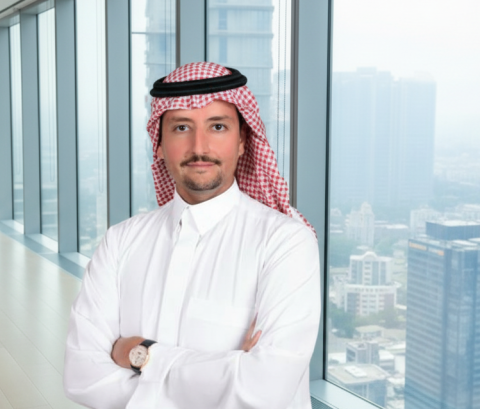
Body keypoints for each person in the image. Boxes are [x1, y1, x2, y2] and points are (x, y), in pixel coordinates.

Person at [63, 62, 320, 409]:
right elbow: (83, 379)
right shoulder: (120, 242)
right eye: (182, 127)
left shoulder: (286, 242)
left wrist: (142, 354)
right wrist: (227, 372)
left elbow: (264, 391)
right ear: (158, 144)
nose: (200, 146)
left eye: (218, 126)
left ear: (242, 141)